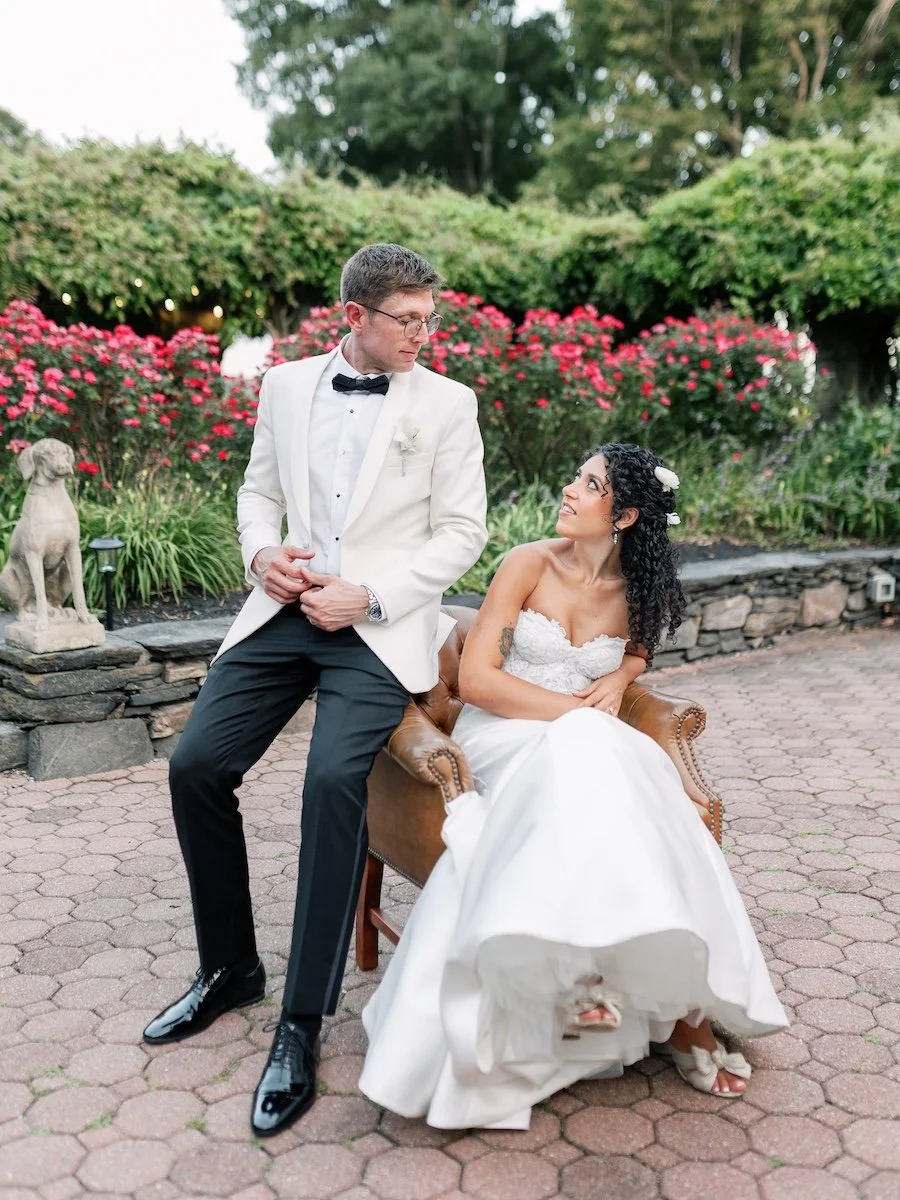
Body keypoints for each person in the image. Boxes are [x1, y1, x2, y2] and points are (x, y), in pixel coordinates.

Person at [142, 244, 488, 1137]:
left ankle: (301, 1022)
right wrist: (264, 555)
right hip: (283, 611)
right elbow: (256, 495)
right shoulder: (288, 387)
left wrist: (368, 594)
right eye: (406, 319)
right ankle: (229, 970)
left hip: (375, 629)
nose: (424, 333)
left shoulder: (448, 404)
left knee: (332, 782)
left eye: (428, 319)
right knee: (194, 766)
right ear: (356, 318)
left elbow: (462, 530)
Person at [359, 442, 788, 1131]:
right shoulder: (528, 563)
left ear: (624, 516)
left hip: (580, 744)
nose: (568, 489)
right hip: (501, 733)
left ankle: (645, 998)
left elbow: (639, 650)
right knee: (595, 751)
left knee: (605, 769)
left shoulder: (637, 591)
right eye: (578, 478)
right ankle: (668, 1014)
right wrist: (582, 714)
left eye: (588, 485)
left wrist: (619, 678)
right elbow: (475, 683)